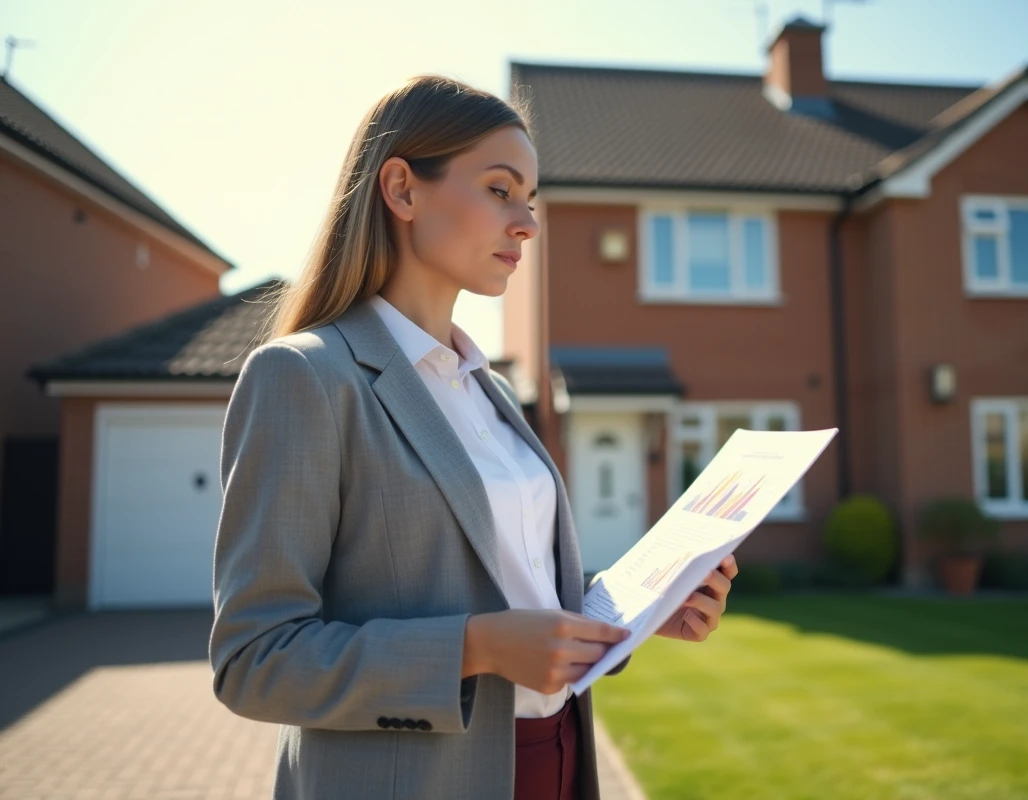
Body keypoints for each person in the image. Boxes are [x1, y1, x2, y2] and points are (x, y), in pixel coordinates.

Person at [208, 74, 738, 800]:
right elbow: (254, 661)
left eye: (531, 201)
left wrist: (639, 615)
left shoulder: (491, 392)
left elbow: (512, 584)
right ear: (402, 190)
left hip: (555, 763)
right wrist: (475, 648)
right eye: (499, 190)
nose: (527, 224)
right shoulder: (304, 377)